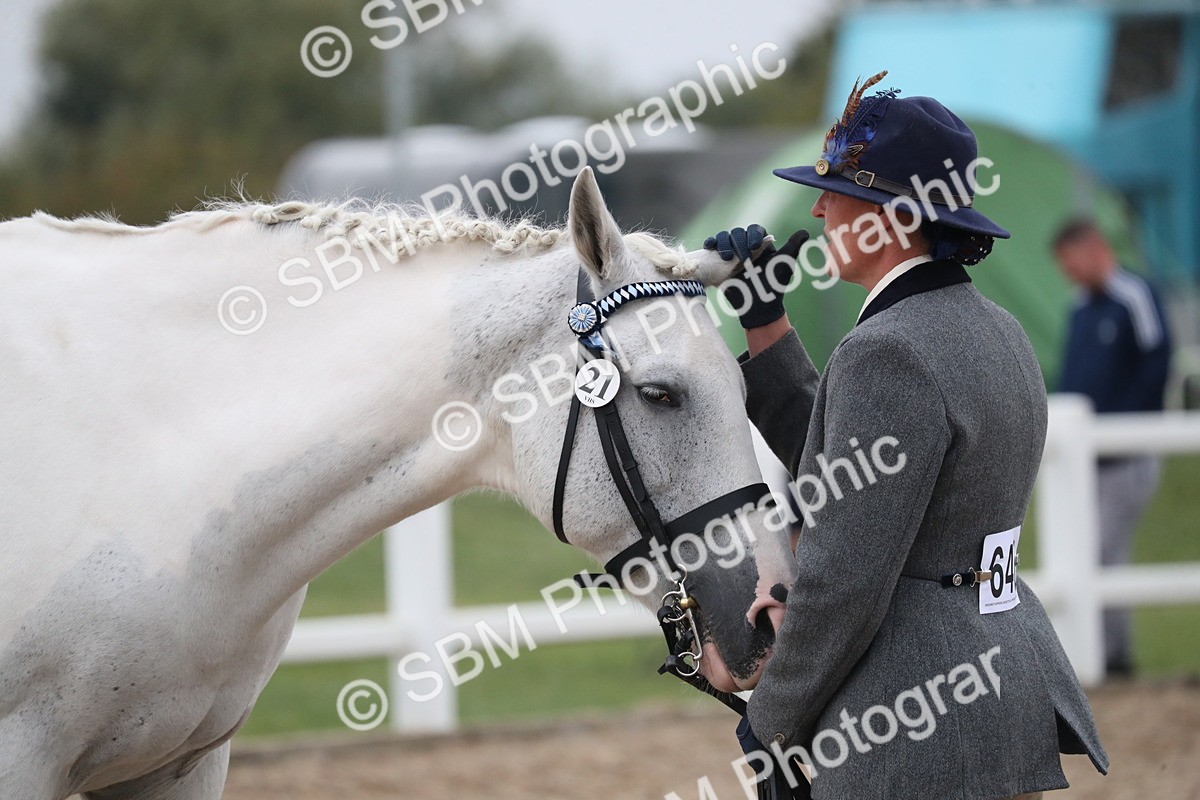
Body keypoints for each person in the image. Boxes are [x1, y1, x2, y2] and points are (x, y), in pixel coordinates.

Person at [704, 72, 1109, 799]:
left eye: (837, 195)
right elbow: (863, 485)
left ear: (889, 218)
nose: (821, 208)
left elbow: (845, 574)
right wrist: (768, 326)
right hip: (999, 687)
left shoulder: (884, 350)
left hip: (910, 721)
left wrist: (772, 718)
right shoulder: (999, 330)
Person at [1053, 218, 1171, 677]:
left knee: (1104, 552)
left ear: (1094, 249)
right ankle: (1100, 655)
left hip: (1126, 455)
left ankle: (1113, 658)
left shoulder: (1135, 296)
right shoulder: (1080, 306)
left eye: (1071, 262)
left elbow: (1156, 364)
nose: (1068, 273)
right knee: (1090, 551)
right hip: (1085, 459)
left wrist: (1125, 428)